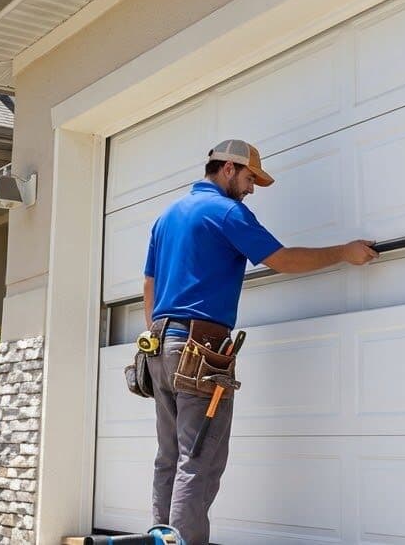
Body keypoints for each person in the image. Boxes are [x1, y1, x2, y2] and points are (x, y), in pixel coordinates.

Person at [142, 139, 379, 544]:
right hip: (199, 351)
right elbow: (281, 259)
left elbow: (149, 284)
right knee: (198, 461)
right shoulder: (226, 212)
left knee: (170, 460)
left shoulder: (167, 216)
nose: (252, 189)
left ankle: (159, 539)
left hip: (160, 347)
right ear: (229, 168)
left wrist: (160, 336)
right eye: (251, 178)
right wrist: (344, 252)